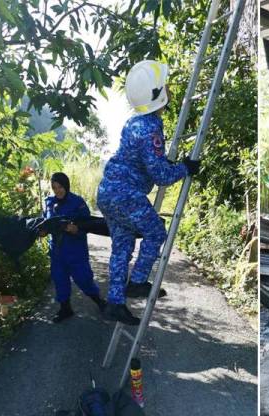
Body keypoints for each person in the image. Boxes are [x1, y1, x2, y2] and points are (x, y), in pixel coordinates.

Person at [97, 60, 199, 326]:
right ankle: (138, 281)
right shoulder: (151, 127)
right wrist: (185, 168)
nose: (169, 88)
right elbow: (160, 174)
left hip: (108, 190)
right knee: (156, 231)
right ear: (158, 93)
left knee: (121, 247)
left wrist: (171, 164)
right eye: (164, 85)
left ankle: (115, 303)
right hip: (125, 192)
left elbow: (148, 161)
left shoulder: (134, 122)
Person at [44, 172, 105, 323]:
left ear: (66, 185)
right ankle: (66, 309)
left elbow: (87, 224)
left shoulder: (77, 202)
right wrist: (42, 231)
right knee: (60, 280)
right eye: (54, 187)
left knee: (84, 278)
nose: (57, 190)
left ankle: (100, 302)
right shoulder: (48, 202)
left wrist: (76, 229)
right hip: (57, 252)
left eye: (60, 187)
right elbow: (45, 222)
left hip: (75, 250)